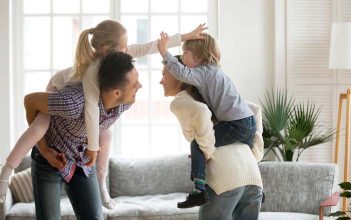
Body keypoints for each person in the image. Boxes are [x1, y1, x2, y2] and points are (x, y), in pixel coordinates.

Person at [0, 19, 207, 209]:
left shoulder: (117, 58)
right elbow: (90, 109)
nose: (128, 50)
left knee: (107, 134)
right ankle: (7, 171)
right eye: (124, 46)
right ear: (107, 49)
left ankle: (101, 184)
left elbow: (149, 46)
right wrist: (92, 148)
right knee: (39, 128)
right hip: (57, 88)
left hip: (80, 118)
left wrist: (185, 36)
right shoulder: (91, 72)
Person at [24, 51, 139, 220]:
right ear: (116, 93)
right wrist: (45, 150)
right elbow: (30, 101)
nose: (140, 86)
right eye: (135, 83)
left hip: (82, 160)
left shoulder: (125, 103)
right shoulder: (72, 103)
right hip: (50, 158)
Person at [157, 32, 257, 208]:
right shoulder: (216, 71)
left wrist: (164, 52)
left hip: (235, 124)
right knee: (246, 154)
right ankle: (258, 191)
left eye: (185, 53)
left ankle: (199, 191)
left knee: (198, 145)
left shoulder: (201, 73)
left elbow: (181, 72)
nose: (184, 58)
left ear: (198, 57)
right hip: (248, 121)